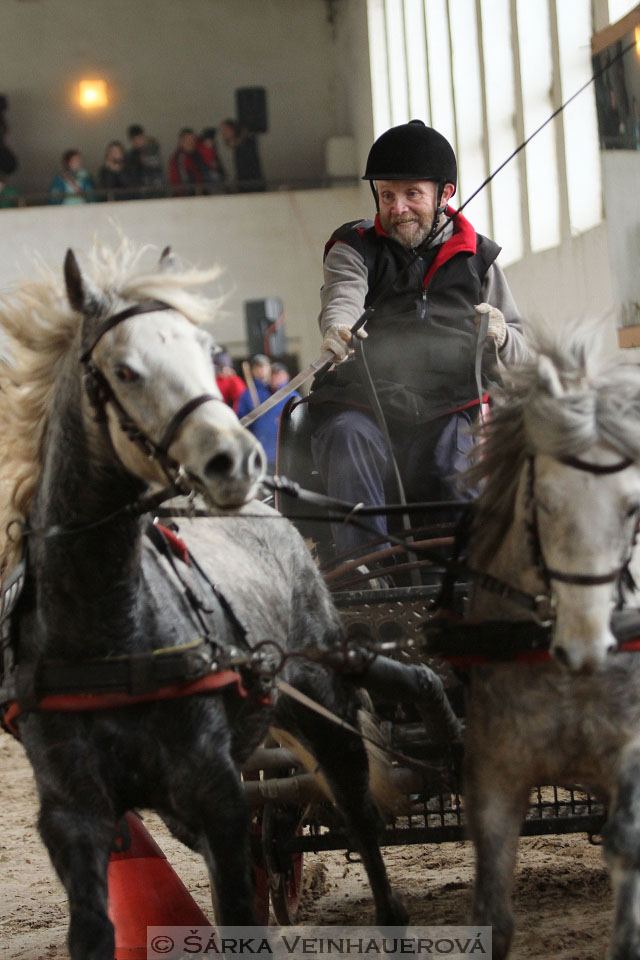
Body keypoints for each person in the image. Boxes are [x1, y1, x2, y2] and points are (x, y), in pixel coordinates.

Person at [308, 119, 527, 562]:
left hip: (450, 407)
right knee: (348, 439)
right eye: (387, 195)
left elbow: (524, 355)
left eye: (412, 194)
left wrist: (502, 336)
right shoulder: (353, 248)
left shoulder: (479, 259)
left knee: (456, 458)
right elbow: (343, 295)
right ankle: (368, 574)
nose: (398, 208)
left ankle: (464, 575)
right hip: (362, 402)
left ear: (445, 195)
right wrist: (338, 328)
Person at [236, 355, 298, 471]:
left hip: (286, 452)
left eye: (263, 366)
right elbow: (241, 421)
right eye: (257, 367)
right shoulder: (248, 394)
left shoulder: (289, 395)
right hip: (260, 450)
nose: (261, 370)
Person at [219, 119, 265, 192]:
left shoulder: (246, 144)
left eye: (225, 130)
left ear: (233, 129)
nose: (223, 133)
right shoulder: (240, 145)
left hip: (251, 185)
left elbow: (249, 167)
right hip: (247, 184)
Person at [124, 123, 164, 195]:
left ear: (143, 137)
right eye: (134, 140)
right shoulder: (131, 155)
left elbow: (155, 167)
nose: (137, 142)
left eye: (139, 138)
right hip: (140, 192)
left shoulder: (153, 149)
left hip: (156, 190)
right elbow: (132, 173)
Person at [168, 127, 209, 194]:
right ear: (181, 142)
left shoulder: (197, 155)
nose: (191, 142)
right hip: (186, 198)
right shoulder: (180, 158)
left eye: (193, 140)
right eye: (188, 140)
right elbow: (182, 182)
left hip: (200, 196)